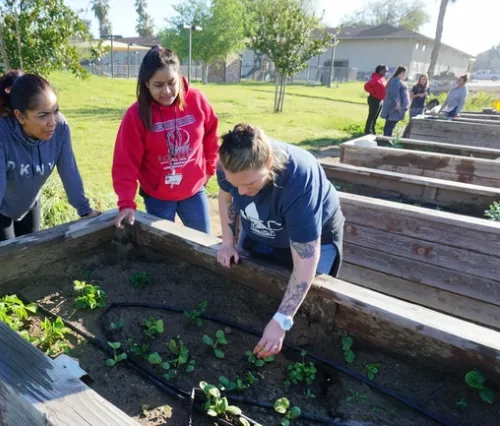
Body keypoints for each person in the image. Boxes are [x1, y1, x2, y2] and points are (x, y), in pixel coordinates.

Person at [216, 123, 344, 359]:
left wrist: (282, 320)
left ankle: (297, 353)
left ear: (269, 165)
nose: (241, 192)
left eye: (250, 184)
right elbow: (226, 199)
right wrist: (227, 242)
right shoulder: (228, 163)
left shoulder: (299, 179)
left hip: (317, 237)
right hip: (261, 226)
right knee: (258, 287)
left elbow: (306, 259)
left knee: (308, 303)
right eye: (236, 184)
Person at [0, 71, 100, 256]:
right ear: (21, 116)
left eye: (55, 110)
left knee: (31, 250)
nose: (52, 122)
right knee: (5, 255)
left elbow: (68, 169)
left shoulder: (60, 127)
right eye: (43, 115)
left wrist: (85, 210)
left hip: (28, 193)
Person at [112, 46, 218, 233]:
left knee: (205, 243)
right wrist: (126, 203)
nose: (167, 91)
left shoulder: (197, 100)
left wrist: (210, 168)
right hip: (158, 195)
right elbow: (125, 163)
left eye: (172, 82)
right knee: (162, 247)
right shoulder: (136, 115)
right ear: (146, 84)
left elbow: (211, 133)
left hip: (193, 190)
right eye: (158, 85)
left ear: (179, 76)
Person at [380, 66, 410, 137]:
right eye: (404, 73)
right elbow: (395, 93)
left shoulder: (399, 81)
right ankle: (386, 139)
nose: (405, 75)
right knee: (390, 123)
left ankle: (388, 138)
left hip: (398, 107)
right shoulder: (395, 80)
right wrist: (398, 104)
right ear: (401, 73)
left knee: (392, 124)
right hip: (394, 107)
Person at [363, 64, 387, 134]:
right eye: (385, 71)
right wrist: (374, 92)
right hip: (374, 99)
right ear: (380, 71)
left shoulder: (382, 78)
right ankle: (367, 131)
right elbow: (366, 86)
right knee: (371, 116)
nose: (386, 72)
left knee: (375, 117)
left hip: (380, 100)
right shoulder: (376, 78)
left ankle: (372, 130)